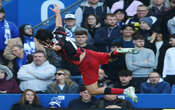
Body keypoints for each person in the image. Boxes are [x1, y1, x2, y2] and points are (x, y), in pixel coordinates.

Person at [39, 4, 138, 103]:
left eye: (41, 41)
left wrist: (50, 46)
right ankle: (118, 50)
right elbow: (59, 24)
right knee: (110, 57)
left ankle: (125, 91)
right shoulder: (57, 32)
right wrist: (57, 13)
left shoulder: (57, 43)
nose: (41, 43)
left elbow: (57, 46)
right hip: (89, 53)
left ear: (46, 40)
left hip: (85, 63)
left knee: (93, 90)